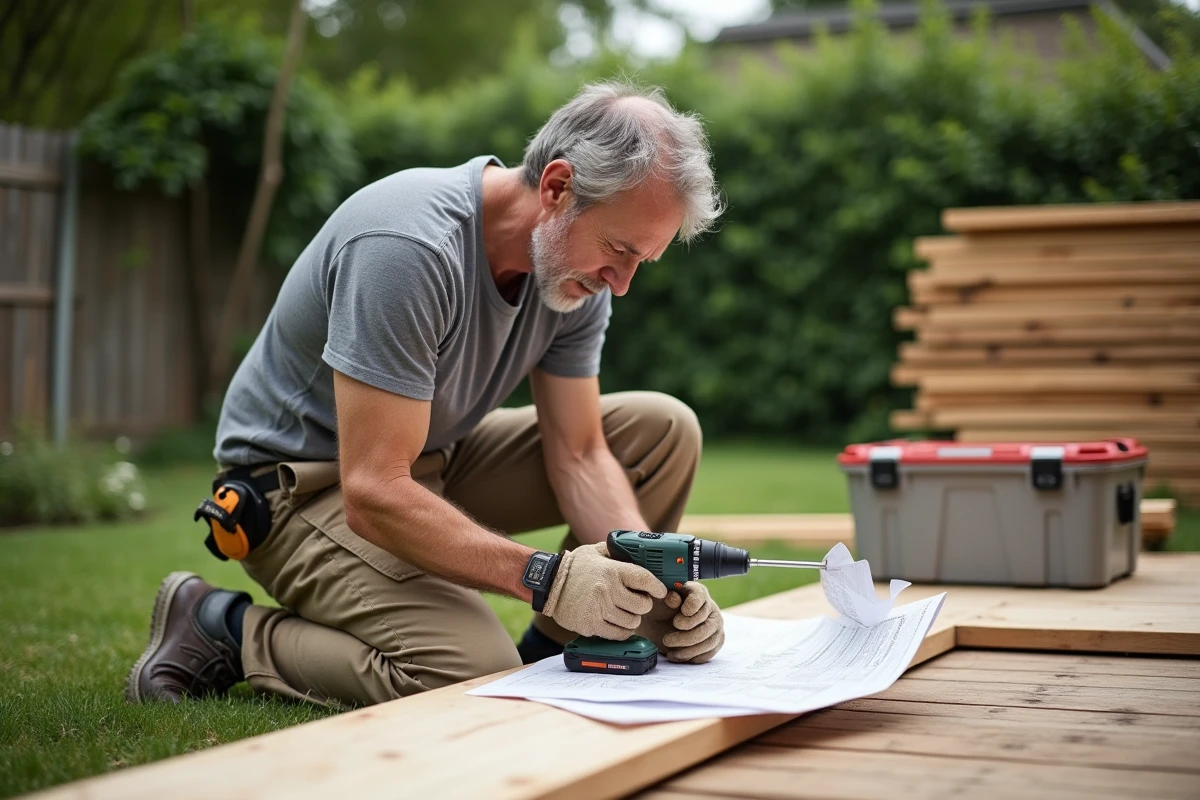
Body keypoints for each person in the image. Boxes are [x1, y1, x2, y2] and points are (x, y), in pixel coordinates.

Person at [126, 80, 726, 709]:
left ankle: (552, 656)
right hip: (300, 490)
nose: (621, 284)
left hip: (427, 459)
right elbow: (374, 488)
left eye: (642, 262)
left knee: (662, 430)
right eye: (619, 250)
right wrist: (547, 579)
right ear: (557, 188)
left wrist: (657, 588)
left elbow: (579, 454)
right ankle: (224, 630)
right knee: (466, 673)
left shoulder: (571, 276)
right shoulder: (408, 248)